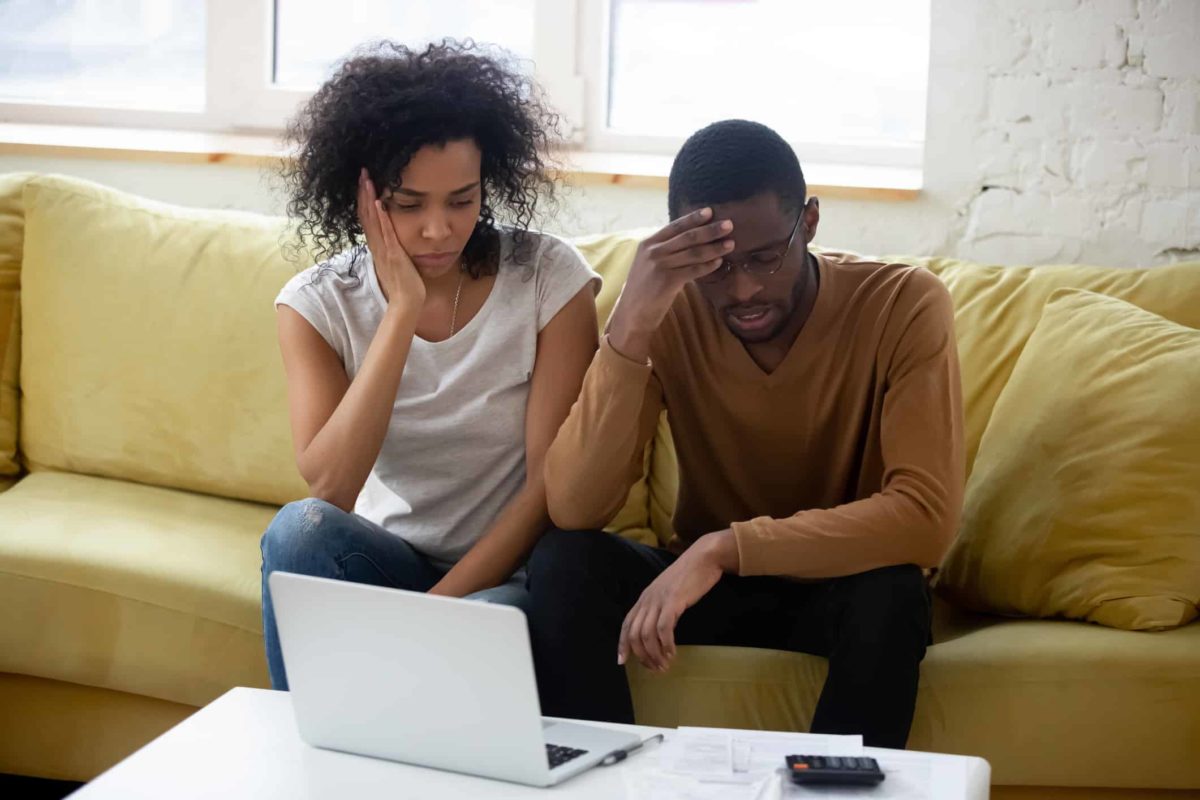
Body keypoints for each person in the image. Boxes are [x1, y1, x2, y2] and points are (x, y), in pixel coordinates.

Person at [525, 119, 963, 749]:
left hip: (839, 590)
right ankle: (602, 787)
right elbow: (574, 506)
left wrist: (723, 548)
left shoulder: (903, 304)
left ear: (809, 223)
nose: (744, 289)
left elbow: (925, 519)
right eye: (716, 267)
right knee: (564, 561)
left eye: (765, 258)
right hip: (710, 596)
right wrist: (632, 323)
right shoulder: (668, 315)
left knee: (893, 596)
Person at [260, 40, 599, 690]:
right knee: (296, 534)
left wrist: (432, 613)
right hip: (385, 558)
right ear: (358, 194)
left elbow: (548, 487)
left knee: (495, 620)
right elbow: (328, 486)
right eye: (408, 205)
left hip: (505, 575)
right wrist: (400, 314)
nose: (439, 230)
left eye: (461, 200)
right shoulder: (315, 304)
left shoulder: (548, 281)